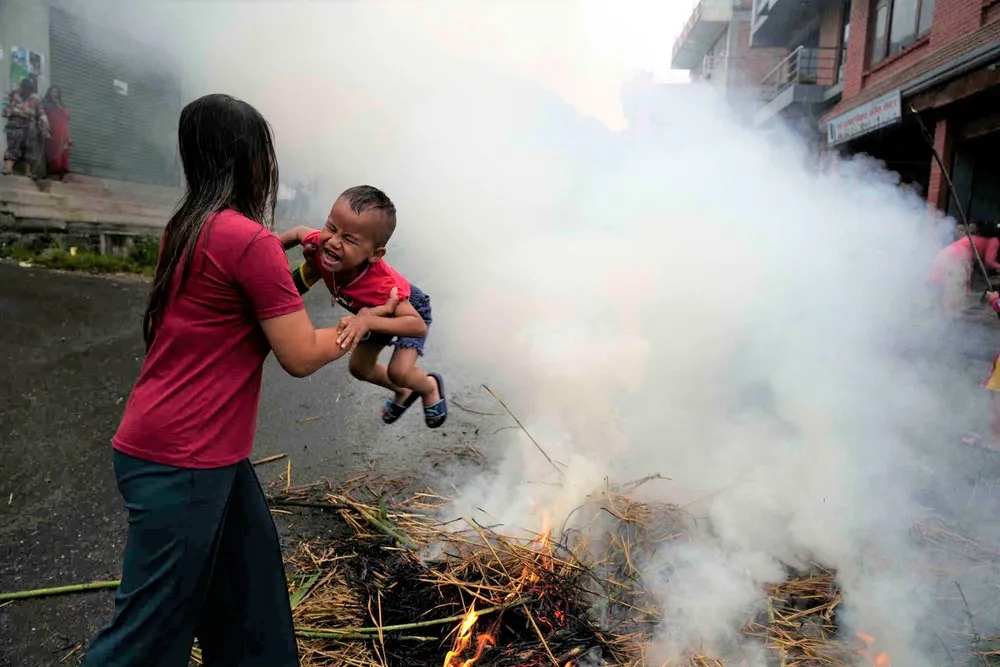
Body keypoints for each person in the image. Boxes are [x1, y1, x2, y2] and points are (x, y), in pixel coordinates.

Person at [81, 94, 363, 667]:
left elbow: (253, 306)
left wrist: (294, 256)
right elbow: (300, 354)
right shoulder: (247, 243)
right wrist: (359, 325)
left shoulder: (188, 227)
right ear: (250, 160)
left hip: (198, 455)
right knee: (147, 638)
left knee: (250, 602)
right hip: (184, 459)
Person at [279, 185, 448, 428]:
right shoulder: (321, 244)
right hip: (370, 315)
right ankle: (403, 392)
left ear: (375, 254)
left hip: (407, 312)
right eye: (331, 227)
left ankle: (429, 387)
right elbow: (297, 232)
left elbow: (417, 326)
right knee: (359, 368)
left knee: (398, 371)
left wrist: (367, 320)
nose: (333, 242)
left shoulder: (382, 286)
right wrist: (265, 248)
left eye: (348, 239)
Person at [929, 222, 1000, 316]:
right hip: (959, 258)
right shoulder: (994, 240)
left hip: (945, 255)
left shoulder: (974, 238)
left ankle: (943, 315)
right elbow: (989, 261)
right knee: (958, 289)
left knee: (947, 289)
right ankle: (951, 316)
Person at [1, 76, 49, 176]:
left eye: (29, 89)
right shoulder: (11, 94)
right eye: (25, 88)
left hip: (30, 126)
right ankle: (8, 168)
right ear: (21, 86)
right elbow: (4, 109)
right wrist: (17, 111)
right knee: (13, 146)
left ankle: (28, 172)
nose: (27, 91)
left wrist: (45, 124)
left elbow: (41, 112)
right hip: (15, 124)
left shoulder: (35, 98)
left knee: (29, 148)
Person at [42, 85, 71, 179]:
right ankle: (49, 171)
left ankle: (60, 172)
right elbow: (42, 114)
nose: (54, 93)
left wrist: (58, 104)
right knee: (49, 150)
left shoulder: (61, 105)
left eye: (56, 92)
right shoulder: (45, 103)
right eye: (52, 91)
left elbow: (67, 116)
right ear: (49, 92)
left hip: (61, 130)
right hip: (50, 128)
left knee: (61, 150)